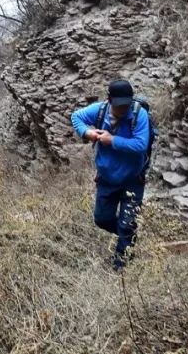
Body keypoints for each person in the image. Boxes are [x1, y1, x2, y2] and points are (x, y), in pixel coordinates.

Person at [70, 79, 152, 271]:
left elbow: (141, 145)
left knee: (127, 223)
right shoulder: (99, 110)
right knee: (102, 219)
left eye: (126, 105)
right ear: (109, 100)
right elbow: (76, 117)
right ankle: (128, 237)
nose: (123, 110)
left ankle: (121, 266)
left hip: (133, 179)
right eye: (118, 106)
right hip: (107, 179)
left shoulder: (139, 114)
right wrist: (87, 132)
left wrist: (111, 140)